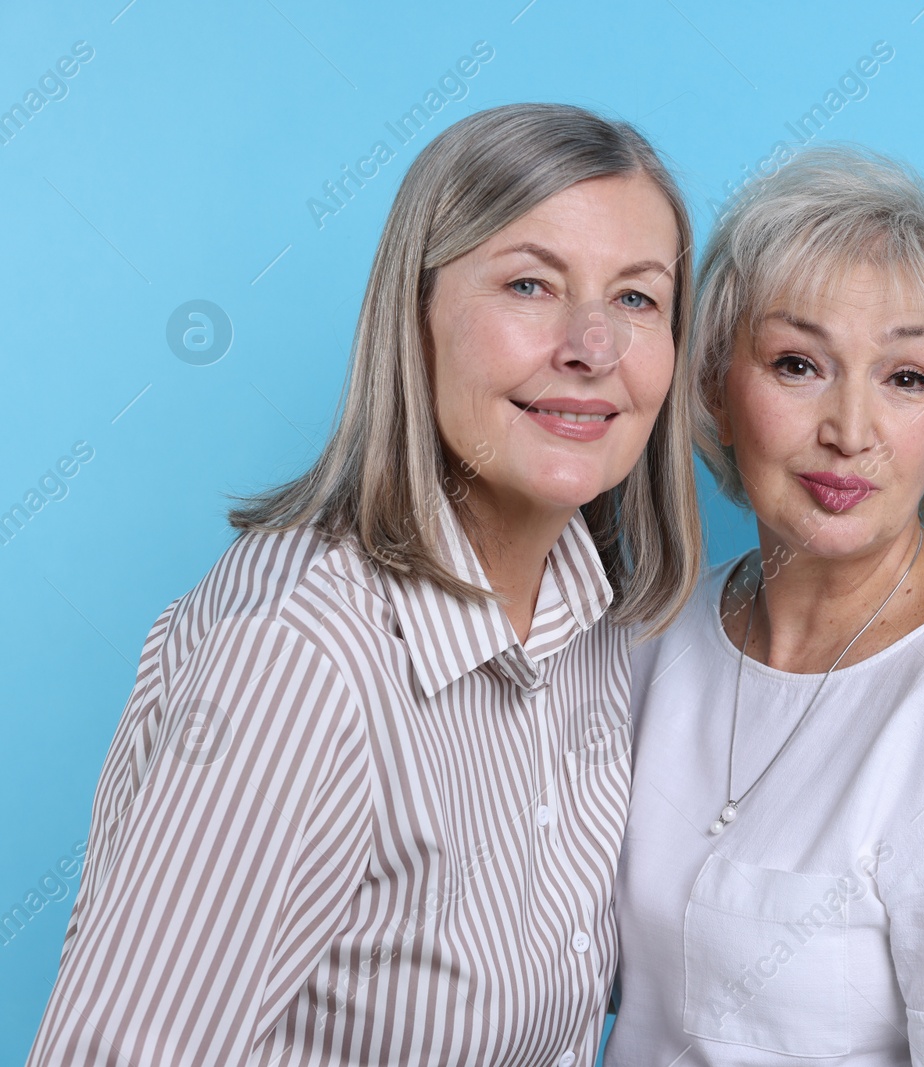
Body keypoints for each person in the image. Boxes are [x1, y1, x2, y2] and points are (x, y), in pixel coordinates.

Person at [27, 103, 701, 1067]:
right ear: (415, 315)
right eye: (528, 283)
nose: (593, 346)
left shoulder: (588, 619)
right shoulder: (295, 660)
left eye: (637, 299)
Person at [604, 145, 924, 1067]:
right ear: (717, 377)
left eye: (906, 378)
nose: (850, 430)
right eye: (798, 363)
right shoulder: (659, 635)